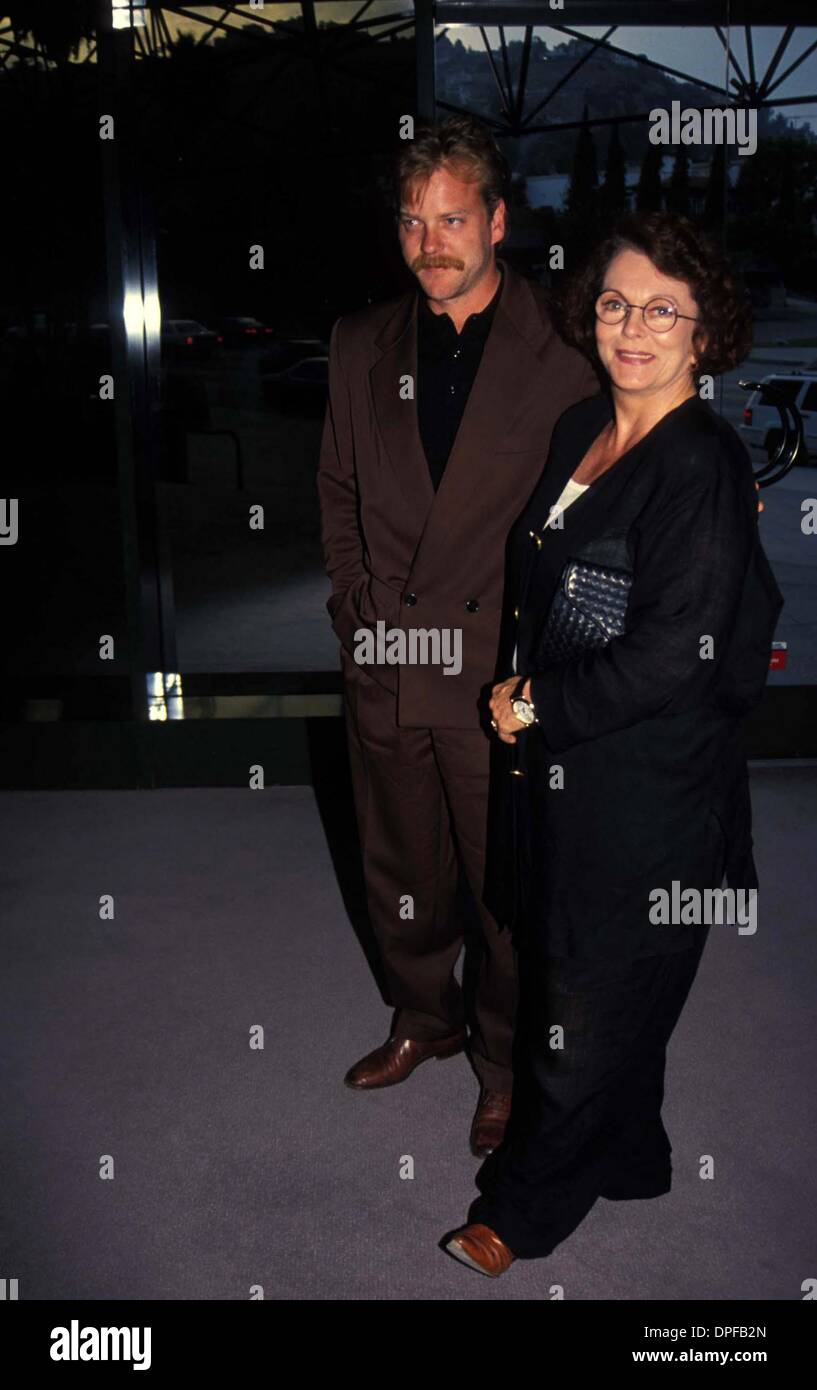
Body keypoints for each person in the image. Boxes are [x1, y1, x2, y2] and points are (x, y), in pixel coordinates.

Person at [444, 212, 784, 1275]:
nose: (632, 327)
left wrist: (535, 700)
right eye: (613, 303)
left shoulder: (704, 468)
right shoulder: (580, 425)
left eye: (662, 310)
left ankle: (527, 1207)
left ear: (703, 331)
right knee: (598, 965)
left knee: (581, 995)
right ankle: (631, 1153)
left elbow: (675, 655)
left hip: (647, 788)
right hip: (572, 769)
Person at [317, 115, 600, 1155]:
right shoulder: (358, 342)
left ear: (496, 221)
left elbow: (618, 479)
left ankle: (502, 1062)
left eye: (450, 219)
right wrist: (354, 612)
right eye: (410, 221)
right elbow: (339, 490)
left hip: (495, 668)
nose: (429, 243)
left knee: (504, 891)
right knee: (399, 867)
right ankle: (421, 1018)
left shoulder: (565, 346)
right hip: (389, 653)